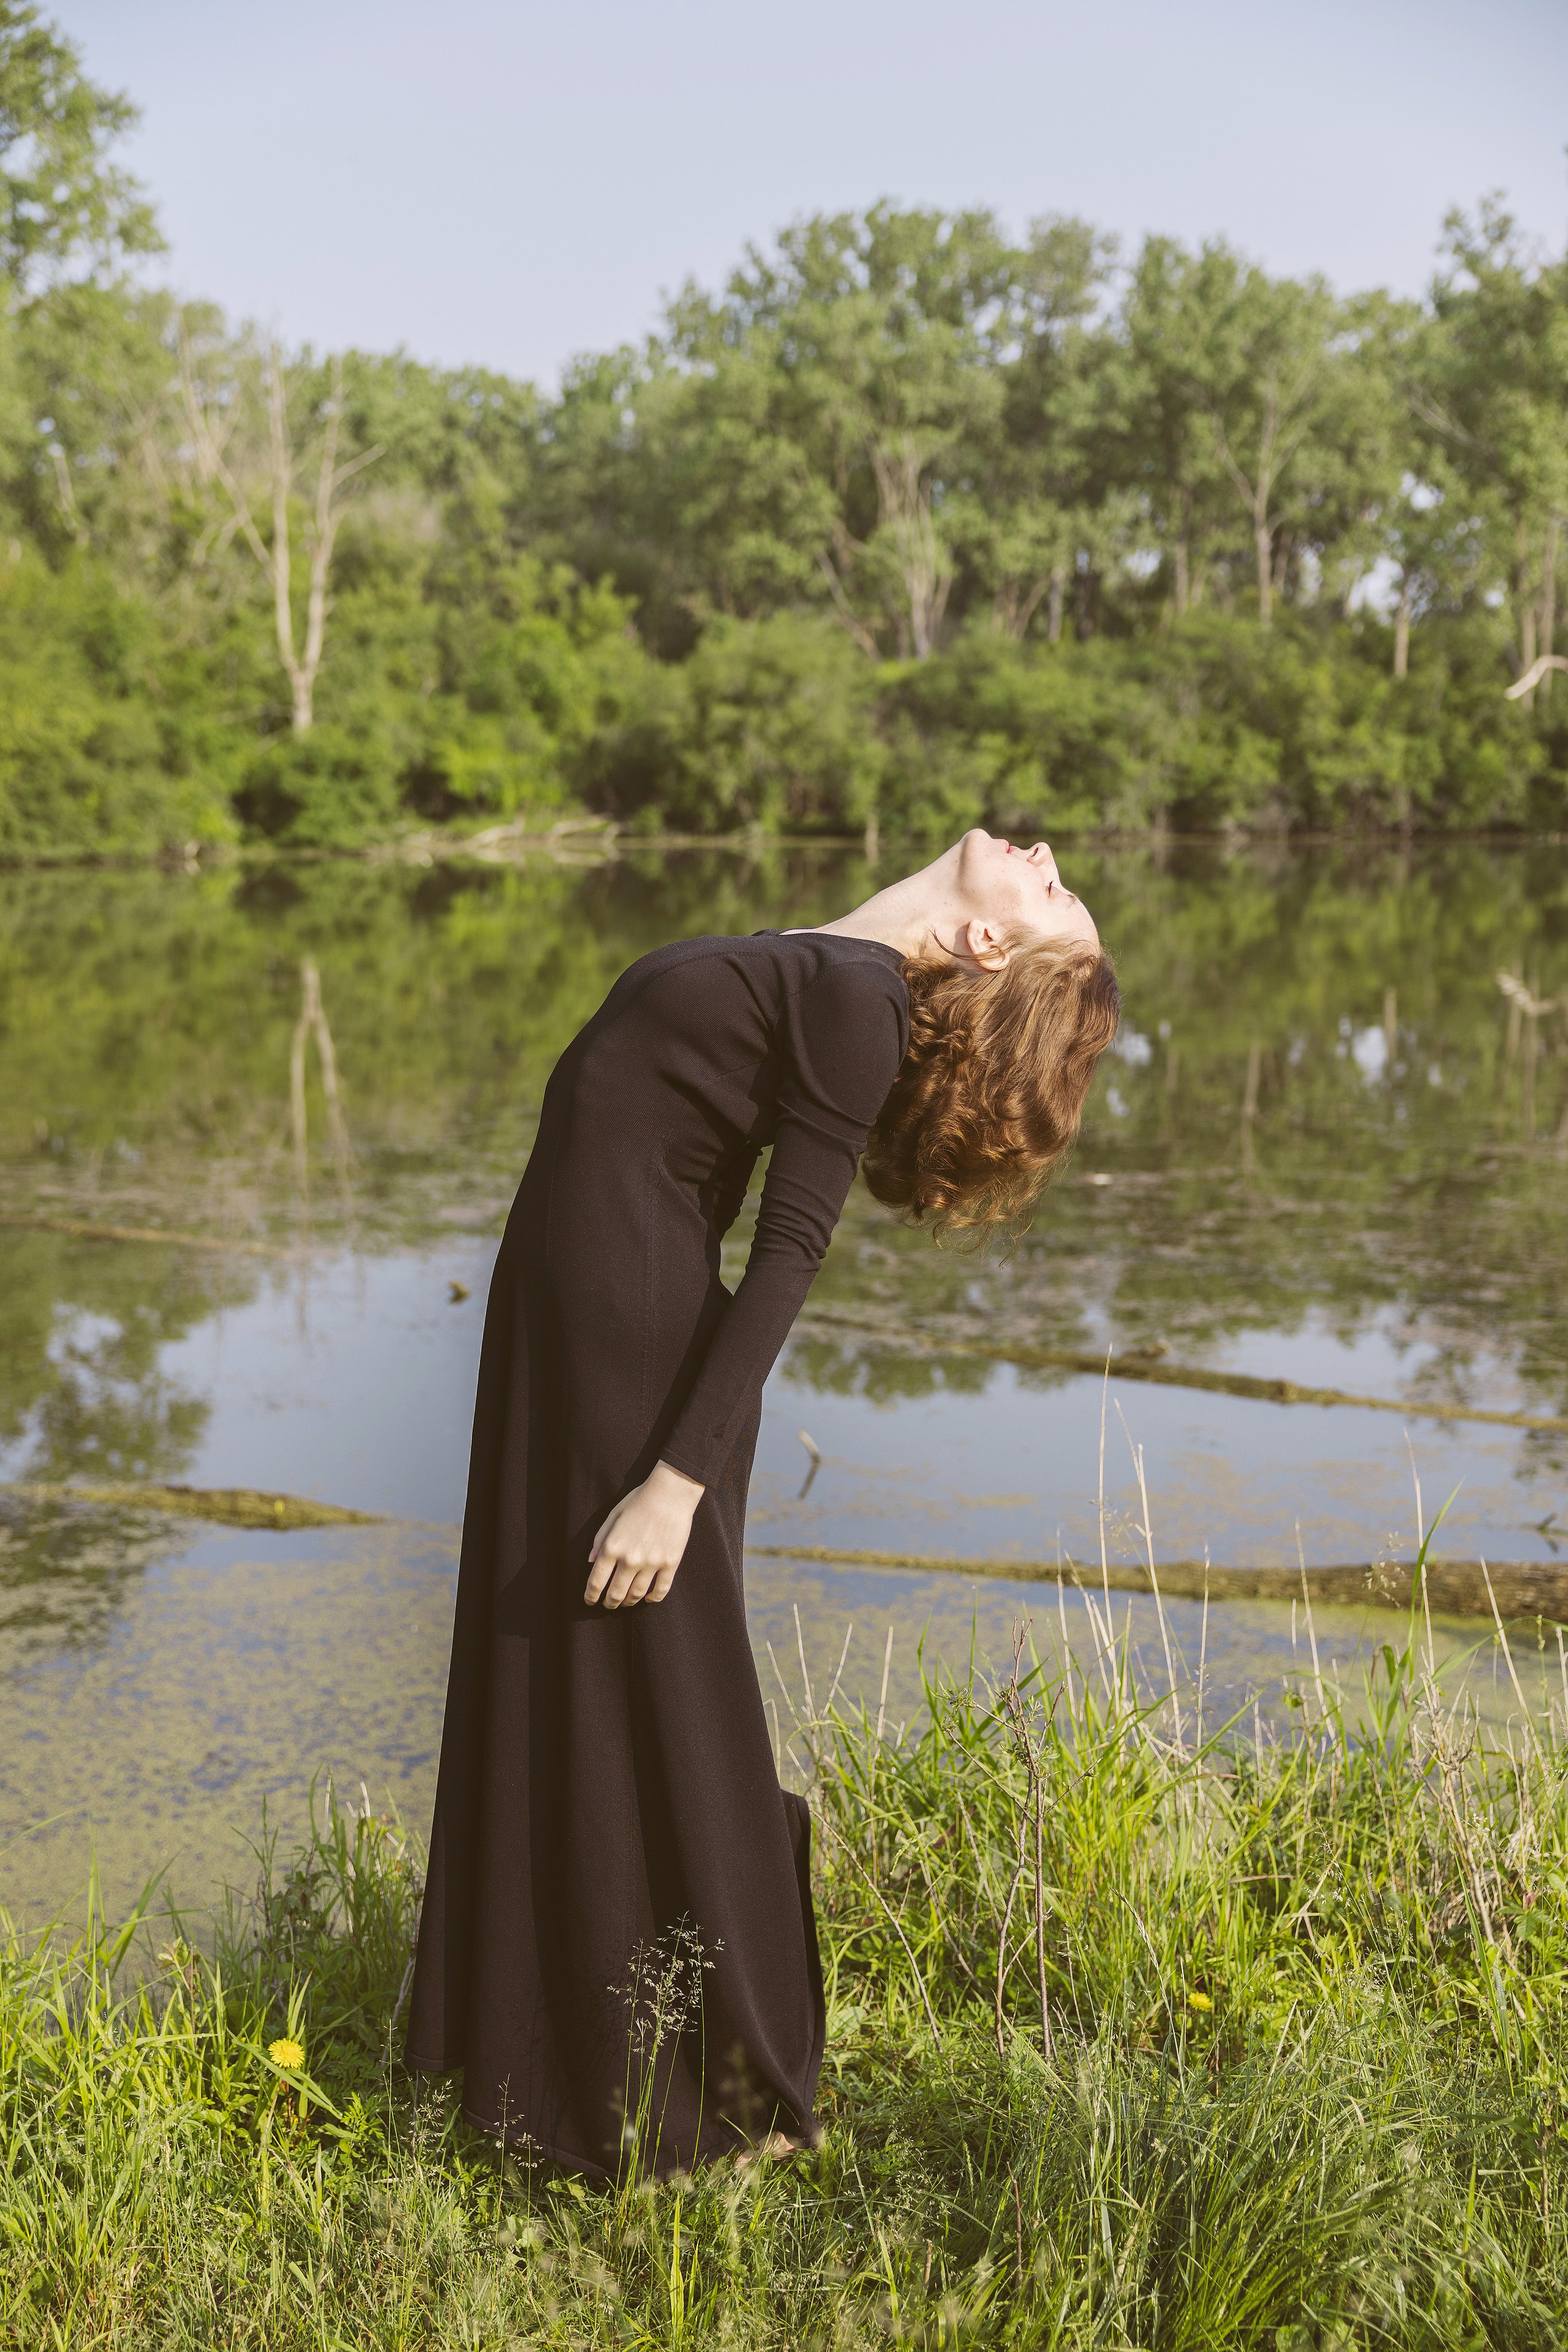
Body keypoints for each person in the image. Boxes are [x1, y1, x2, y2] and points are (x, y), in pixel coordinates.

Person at [404, 828, 1119, 2177]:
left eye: (1048, 890)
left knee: (679, 1713)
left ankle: (735, 2088)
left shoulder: (854, 1003)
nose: (1038, 853)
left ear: (983, 945)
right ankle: (540, 2058)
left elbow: (789, 1248)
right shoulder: (828, 965)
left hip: (636, 1365)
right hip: (571, 1341)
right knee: (569, 1686)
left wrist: (674, 1484)